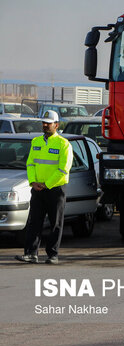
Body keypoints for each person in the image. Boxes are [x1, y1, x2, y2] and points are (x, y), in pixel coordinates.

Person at [15, 110, 73, 265]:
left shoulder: (64, 144)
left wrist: (47, 185)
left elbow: (63, 170)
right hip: (37, 189)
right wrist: (33, 182)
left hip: (55, 189)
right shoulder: (36, 141)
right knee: (34, 222)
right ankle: (31, 254)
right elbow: (30, 164)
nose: (45, 125)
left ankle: (53, 255)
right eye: (44, 123)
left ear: (57, 125)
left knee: (55, 223)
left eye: (49, 123)